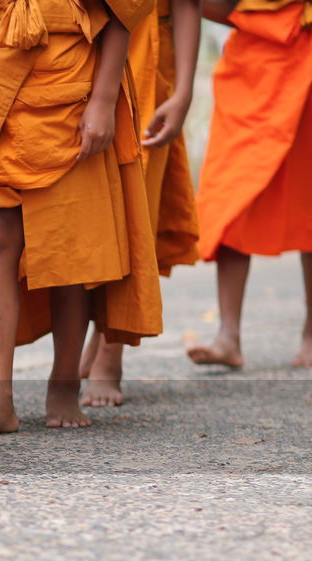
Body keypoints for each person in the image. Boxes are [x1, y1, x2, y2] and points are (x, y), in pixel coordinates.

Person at [0, 0, 162, 438]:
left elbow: (122, 15)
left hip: (73, 91)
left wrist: (103, 100)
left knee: (69, 250)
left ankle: (63, 384)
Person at [190, 0, 312, 370]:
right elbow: (202, 5)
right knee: (232, 191)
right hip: (249, 63)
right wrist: (260, 15)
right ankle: (228, 335)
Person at [81, 0, 200, 406]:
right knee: (88, 210)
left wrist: (183, 94)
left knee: (137, 210)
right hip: (80, 55)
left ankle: (110, 354)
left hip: (149, 65)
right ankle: (92, 335)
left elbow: (188, 5)